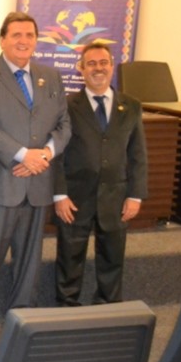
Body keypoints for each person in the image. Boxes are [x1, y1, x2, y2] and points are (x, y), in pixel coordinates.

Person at [0, 11, 70, 336]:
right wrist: (24, 155)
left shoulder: (51, 76)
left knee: (30, 254)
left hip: (38, 179)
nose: (24, 41)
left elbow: (64, 124)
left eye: (29, 35)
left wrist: (45, 154)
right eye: (16, 35)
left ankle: (23, 310)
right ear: (2, 40)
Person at [54, 43, 147, 306]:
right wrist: (59, 194)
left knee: (112, 258)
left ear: (112, 66)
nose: (98, 68)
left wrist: (135, 196)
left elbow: (138, 154)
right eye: (92, 63)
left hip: (116, 196)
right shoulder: (66, 106)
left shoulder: (131, 106)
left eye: (103, 62)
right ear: (81, 69)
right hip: (74, 197)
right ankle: (66, 307)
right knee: (69, 257)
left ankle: (108, 306)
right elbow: (57, 153)